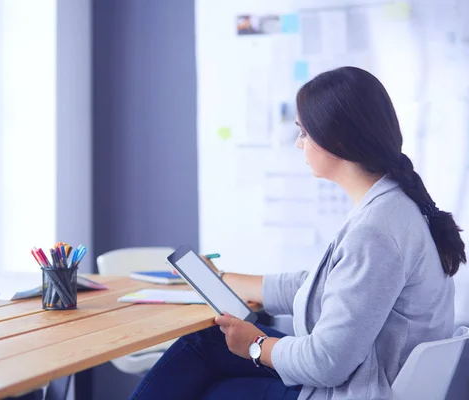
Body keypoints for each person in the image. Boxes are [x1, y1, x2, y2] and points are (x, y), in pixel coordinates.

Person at [128, 66, 467, 400]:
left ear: (336, 140)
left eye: (303, 132)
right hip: (363, 377)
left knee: (212, 375)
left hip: (353, 389)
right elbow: (330, 289)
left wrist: (256, 346)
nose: (298, 143)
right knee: (207, 343)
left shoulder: (375, 232)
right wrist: (221, 278)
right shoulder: (394, 207)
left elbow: (327, 363)